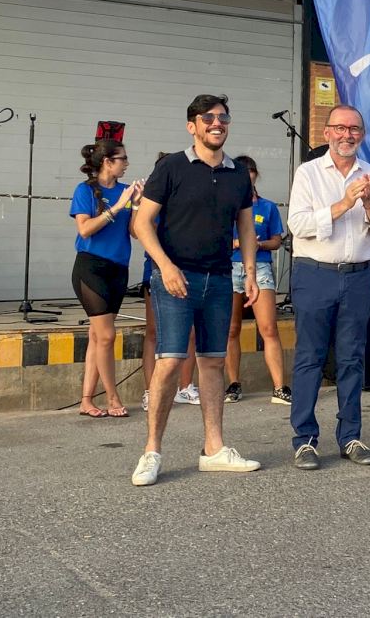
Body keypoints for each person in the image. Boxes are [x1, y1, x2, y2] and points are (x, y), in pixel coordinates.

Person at [130, 94, 261, 486]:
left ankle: (214, 449)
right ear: (192, 126)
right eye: (208, 118)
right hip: (176, 278)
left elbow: (246, 226)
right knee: (170, 361)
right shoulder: (171, 167)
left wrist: (249, 272)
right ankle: (151, 452)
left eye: (223, 117)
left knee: (213, 362)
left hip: (219, 279)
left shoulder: (238, 174)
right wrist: (166, 266)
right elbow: (141, 223)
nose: (217, 123)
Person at [286, 104, 370, 470]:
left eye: (354, 129)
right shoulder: (308, 173)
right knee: (310, 357)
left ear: (362, 135)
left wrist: (368, 202)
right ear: (327, 132)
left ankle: (351, 436)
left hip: (359, 275)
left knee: (352, 358)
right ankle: (304, 440)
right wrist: (344, 203)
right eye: (340, 128)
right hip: (314, 273)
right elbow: (298, 225)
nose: (347, 135)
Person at [70, 139, 143, 418]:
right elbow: (85, 229)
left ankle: (86, 400)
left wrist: (135, 205)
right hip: (91, 267)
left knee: (97, 336)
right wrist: (118, 206)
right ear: (107, 162)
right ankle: (113, 398)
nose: (126, 163)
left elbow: (134, 232)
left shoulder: (125, 192)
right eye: (122, 159)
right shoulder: (85, 190)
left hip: (118, 268)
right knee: (107, 335)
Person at [224, 154, 291, 405]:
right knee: (231, 329)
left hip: (260, 266)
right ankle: (233, 383)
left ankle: (279, 386)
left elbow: (277, 241)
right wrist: (237, 242)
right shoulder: (226, 204)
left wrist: (258, 244)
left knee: (268, 327)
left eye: (251, 179)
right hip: (231, 265)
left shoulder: (267, 207)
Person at [138, 152, 199, 412]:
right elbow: (137, 230)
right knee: (154, 332)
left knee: (191, 333)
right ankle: (150, 391)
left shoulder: (187, 197)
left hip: (188, 270)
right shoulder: (152, 198)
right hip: (157, 270)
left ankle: (185, 386)